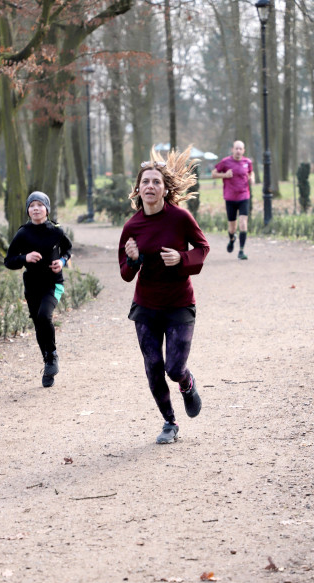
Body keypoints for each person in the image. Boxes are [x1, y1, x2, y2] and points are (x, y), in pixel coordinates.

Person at [119, 147, 210, 445]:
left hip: (179, 304)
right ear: (138, 188)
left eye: (156, 182)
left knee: (173, 368)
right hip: (146, 306)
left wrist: (182, 259)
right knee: (154, 368)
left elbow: (202, 248)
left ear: (165, 188)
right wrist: (133, 260)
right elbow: (125, 272)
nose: (150, 186)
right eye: (145, 181)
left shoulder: (180, 218)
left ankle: (187, 382)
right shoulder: (132, 226)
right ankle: (169, 422)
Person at [4, 191, 72, 387]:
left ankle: (52, 356)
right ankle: (48, 363)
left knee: (44, 316)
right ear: (28, 210)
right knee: (38, 323)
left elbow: (68, 249)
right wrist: (24, 258)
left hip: (54, 284)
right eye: (32, 205)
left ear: (47, 209)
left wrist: (62, 261)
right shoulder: (23, 233)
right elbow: (8, 261)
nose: (36, 208)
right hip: (32, 286)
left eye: (40, 205)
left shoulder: (57, 232)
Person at [212, 140, 254, 260]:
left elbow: (251, 173)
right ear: (232, 149)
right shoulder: (225, 162)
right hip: (230, 198)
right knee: (232, 227)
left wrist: (252, 178)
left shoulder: (247, 162)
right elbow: (214, 174)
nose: (238, 151)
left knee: (243, 223)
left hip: (244, 196)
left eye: (241, 149)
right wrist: (224, 175)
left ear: (243, 150)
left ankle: (241, 251)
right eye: (236, 148)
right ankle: (232, 239)